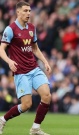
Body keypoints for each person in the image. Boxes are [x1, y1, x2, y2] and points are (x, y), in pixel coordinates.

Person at [0, 1, 51, 135]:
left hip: (34, 69)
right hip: (21, 73)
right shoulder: (10, 29)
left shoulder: (32, 28)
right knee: (26, 105)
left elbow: (34, 48)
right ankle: (3, 120)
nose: (28, 13)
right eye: (25, 11)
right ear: (18, 12)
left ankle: (35, 128)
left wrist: (45, 61)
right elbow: (1, 49)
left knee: (46, 96)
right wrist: (9, 61)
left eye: (29, 11)